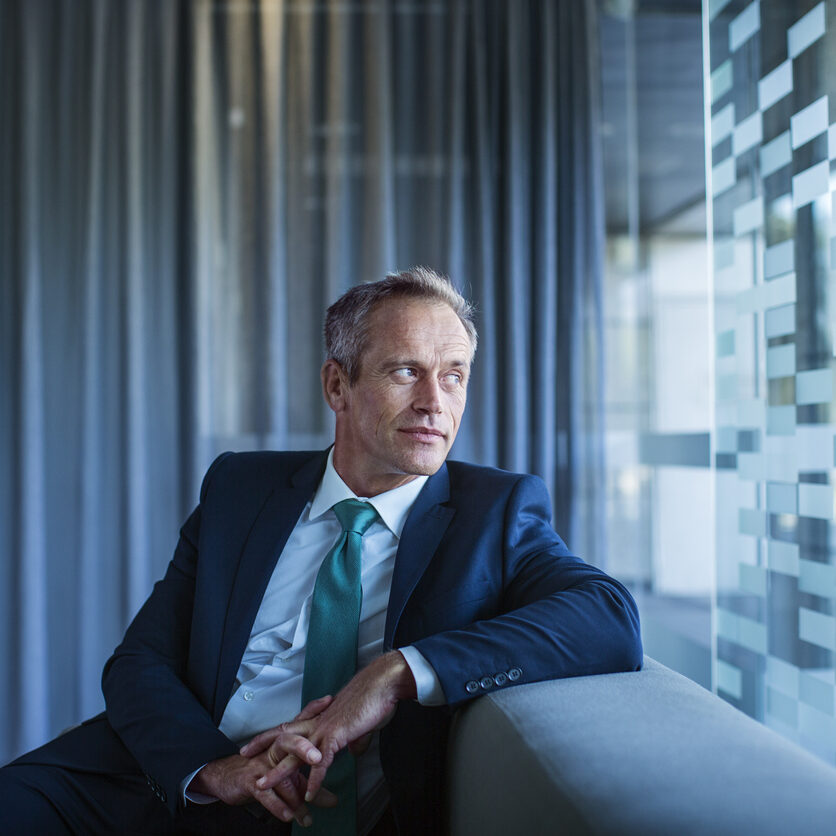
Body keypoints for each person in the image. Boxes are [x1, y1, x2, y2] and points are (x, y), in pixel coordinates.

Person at [0, 267, 642, 835]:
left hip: (304, 813)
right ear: (338, 386)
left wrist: (396, 673)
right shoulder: (240, 488)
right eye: (405, 371)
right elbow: (140, 660)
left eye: (454, 376)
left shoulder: (494, 513)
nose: (434, 404)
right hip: (170, 775)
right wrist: (214, 771)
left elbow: (609, 615)